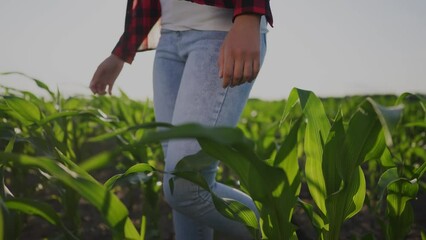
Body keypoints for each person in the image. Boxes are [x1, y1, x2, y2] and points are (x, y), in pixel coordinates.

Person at [90, 0, 273, 239]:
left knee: (186, 189)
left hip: (219, 32)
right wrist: (121, 52)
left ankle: (280, 228)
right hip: (169, 42)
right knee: (179, 179)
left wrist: (249, 14)